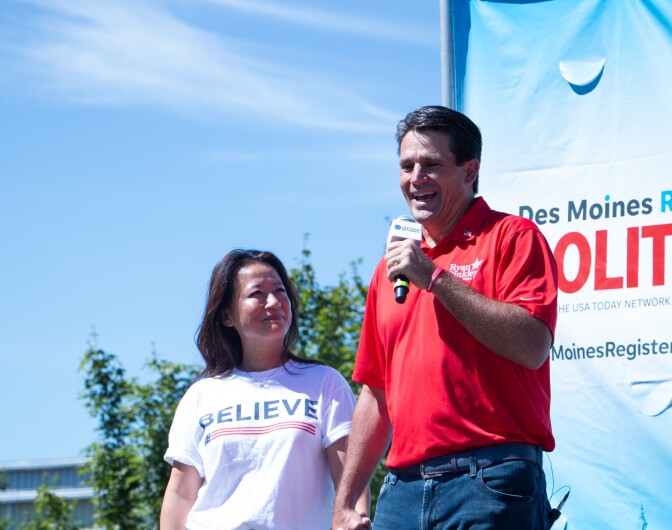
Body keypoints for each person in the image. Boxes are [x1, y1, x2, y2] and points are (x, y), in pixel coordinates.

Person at [332, 106, 559, 530]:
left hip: (489, 479)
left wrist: (434, 277)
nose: (415, 177)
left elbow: (532, 346)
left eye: (431, 164)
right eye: (406, 166)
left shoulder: (513, 238)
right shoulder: (389, 269)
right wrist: (345, 501)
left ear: (470, 170)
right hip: (401, 490)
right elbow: (375, 392)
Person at [160, 249, 370, 530]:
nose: (274, 302)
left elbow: (351, 479)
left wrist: (356, 520)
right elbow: (180, 494)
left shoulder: (324, 383)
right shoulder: (201, 396)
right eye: (257, 293)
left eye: (280, 291)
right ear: (226, 316)